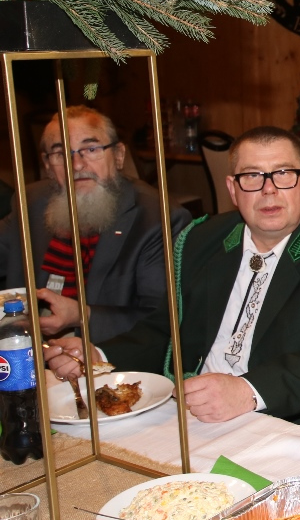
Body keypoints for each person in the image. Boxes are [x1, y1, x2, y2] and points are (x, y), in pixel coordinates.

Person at [45, 126, 300, 425]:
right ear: (232, 189)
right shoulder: (200, 239)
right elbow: (167, 328)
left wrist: (247, 391)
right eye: (252, 176)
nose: (269, 190)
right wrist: (101, 356)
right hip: (189, 408)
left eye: (283, 174)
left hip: (283, 418)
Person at [0, 106, 191, 343]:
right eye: (60, 154)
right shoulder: (31, 201)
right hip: (25, 350)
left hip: (107, 353)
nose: (77, 165)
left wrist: (83, 316)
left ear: (119, 155)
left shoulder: (157, 218)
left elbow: (162, 319)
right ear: (47, 165)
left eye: (91, 150)